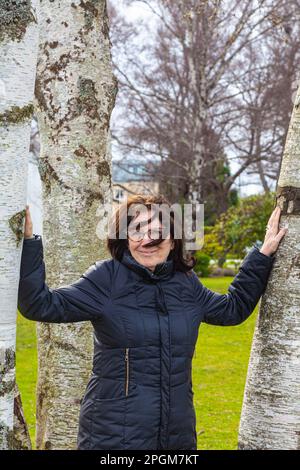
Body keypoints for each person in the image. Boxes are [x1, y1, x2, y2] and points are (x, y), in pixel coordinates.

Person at [18, 194, 287, 450]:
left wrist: (262, 255)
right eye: (136, 231)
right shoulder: (105, 279)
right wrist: (28, 242)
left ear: (173, 241)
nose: (147, 240)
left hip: (176, 435)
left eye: (157, 232)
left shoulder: (186, 283)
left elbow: (232, 309)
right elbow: (40, 304)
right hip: (113, 436)